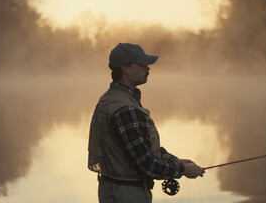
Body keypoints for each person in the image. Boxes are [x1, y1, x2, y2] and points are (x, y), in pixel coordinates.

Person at [88, 43, 205, 203]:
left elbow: (140, 147)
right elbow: (145, 163)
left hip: (115, 190)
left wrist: (173, 160)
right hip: (127, 195)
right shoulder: (125, 109)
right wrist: (182, 170)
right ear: (125, 68)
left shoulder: (111, 98)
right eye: (142, 64)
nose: (148, 68)